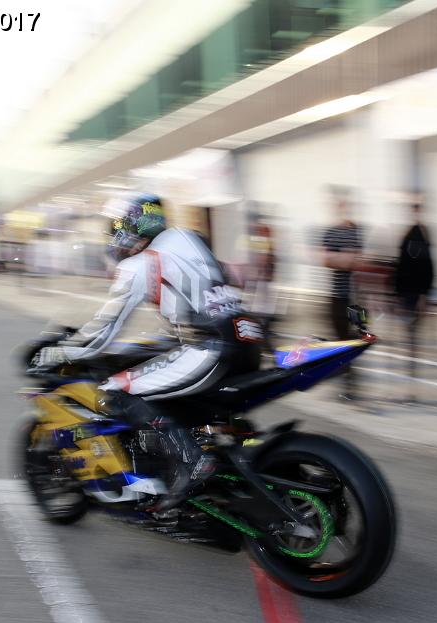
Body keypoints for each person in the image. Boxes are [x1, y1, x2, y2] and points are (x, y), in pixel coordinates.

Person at [34, 194, 263, 512]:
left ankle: (192, 461)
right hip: (249, 340)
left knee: (116, 390)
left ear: (131, 227)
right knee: (179, 396)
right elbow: (199, 299)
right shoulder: (189, 240)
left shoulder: (140, 263)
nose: (115, 237)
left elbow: (103, 333)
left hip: (211, 349)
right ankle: (227, 450)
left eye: (117, 229)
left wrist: (58, 353)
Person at [318, 186, 363, 398]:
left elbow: (357, 260)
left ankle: (350, 381)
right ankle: (347, 381)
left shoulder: (356, 230)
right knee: (340, 339)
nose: (342, 207)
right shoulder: (330, 232)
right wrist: (345, 258)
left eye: (345, 203)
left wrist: (340, 258)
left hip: (356, 297)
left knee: (356, 338)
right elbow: (325, 260)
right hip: (337, 295)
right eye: (338, 204)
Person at [393, 196, 435, 400]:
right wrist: (396, 295)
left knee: (412, 341)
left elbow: (428, 267)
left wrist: (424, 295)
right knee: (408, 340)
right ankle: (409, 385)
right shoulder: (407, 233)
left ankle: (412, 387)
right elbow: (400, 266)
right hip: (406, 295)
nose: (414, 212)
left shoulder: (422, 234)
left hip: (414, 295)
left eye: (417, 208)